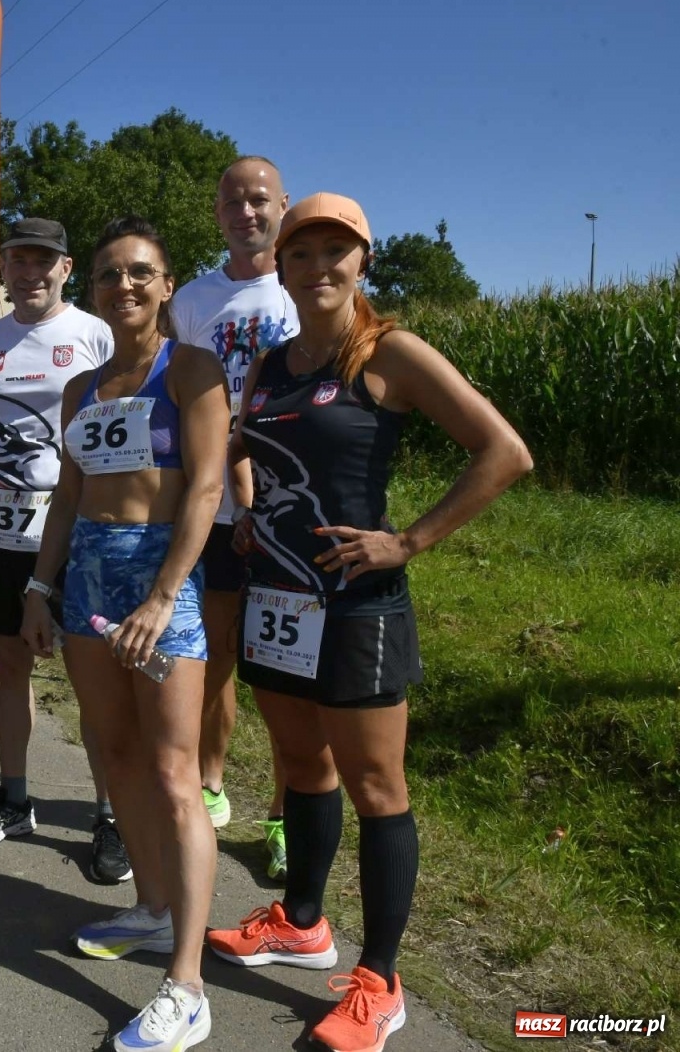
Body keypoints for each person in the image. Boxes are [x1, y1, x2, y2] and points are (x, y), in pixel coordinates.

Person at [205, 193, 531, 1052]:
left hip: (356, 607)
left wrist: (410, 540)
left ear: (364, 263)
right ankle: (304, 924)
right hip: (277, 599)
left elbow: (505, 451)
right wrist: (247, 511)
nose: (319, 268)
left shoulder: (389, 354)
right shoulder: (269, 365)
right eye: (301, 254)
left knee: (377, 789)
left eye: (335, 253)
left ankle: (380, 982)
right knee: (299, 766)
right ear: (280, 267)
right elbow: (251, 451)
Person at [20, 217, 228, 1051]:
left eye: (140, 273)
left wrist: (163, 595)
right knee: (115, 755)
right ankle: (149, 907)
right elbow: (67, 499)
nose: (124, 287)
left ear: (167, 284)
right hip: (87, 580)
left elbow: (208, 490)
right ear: (93, 289)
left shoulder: (194, 371)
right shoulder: (82, 389)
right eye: (109, 276)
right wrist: (40, 586)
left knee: (176, 773)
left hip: (161, 578)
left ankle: (188, 983)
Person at [0, 217, 127, 879]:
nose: (28, 273)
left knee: (94, 680)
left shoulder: (94, 333)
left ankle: (111, 816)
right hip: (1, 531)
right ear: (3, 268)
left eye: (41, 261)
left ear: (64, 268)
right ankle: (17, 795)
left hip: (80, 531)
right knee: (9, 667)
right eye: (16, 261)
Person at [170, 155, 299, 880]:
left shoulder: (307, 285)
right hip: (215, 509)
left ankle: (284, 816)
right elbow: (187, 398)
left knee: (284, 670)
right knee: (217, 651)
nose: (246, 213)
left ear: (282, 202)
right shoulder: (192, 300)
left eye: (259, 200)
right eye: (233, 202)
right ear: (217, 213)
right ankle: (212, 783)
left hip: (291, 510)